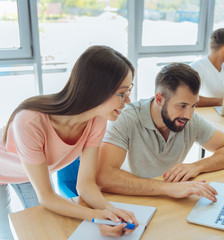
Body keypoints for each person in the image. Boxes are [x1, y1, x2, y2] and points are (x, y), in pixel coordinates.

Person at [0, 46, 138, 239]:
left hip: (27, 171)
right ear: (97, 89)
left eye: (129, 91)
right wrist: (95, 216)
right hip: (3, 167)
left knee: (45, 225)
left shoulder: (97, 119)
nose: (129, 100)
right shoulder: (30, 121)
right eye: (123, 93)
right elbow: (47, 197)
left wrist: (110, 212)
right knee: (5, 231)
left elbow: (86, 184)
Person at [96, 63, 224, 201]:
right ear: (160, 99)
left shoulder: (190, 119)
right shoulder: (126, 118)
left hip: (168, 200)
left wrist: (197, 166)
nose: (188, 115)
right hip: (129, 200)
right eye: (181, 106)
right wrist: (168, 188)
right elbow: (104, 177)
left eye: (194, 105)